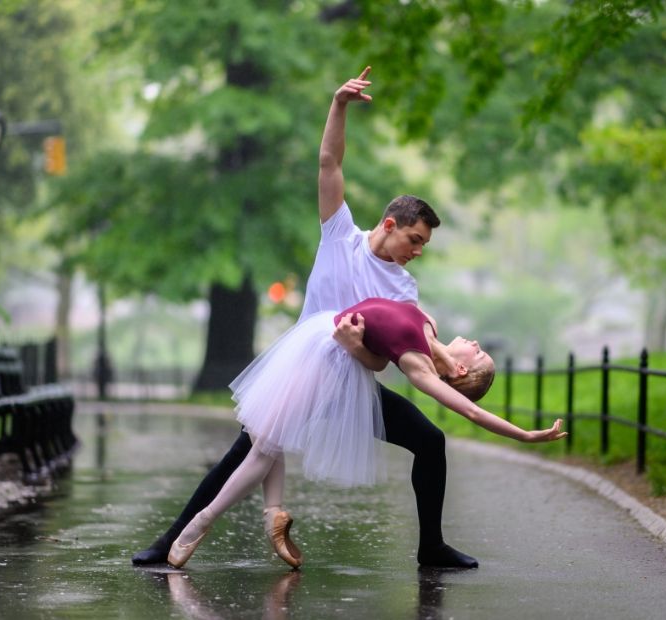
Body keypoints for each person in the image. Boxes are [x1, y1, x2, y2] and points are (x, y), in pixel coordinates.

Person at [131, 66, 475, 569]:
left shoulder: (404, 288)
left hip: (353, 384)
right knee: (246, 452)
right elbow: (328, 161)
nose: (417, 251)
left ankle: (431, 547)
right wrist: (338, 104)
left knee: (430, 440)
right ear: (389, 225)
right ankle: (170, 541)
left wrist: (398, 353)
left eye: (423, 245)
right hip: (304, 373)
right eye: (415, 240)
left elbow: (391, 360)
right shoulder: (340, 235)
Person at [165, 297, 568, 569]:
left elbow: (472, 412)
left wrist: (526, 435)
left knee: (264, 447)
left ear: (460, 371)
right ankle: (273, 515)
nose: (476, 342)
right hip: (318, 342)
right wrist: (362, 349)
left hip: (326, 366)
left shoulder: (419, 366)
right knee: (266, 437)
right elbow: (377, 345)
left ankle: (200, 523)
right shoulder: (429, 325)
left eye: (478, 353)